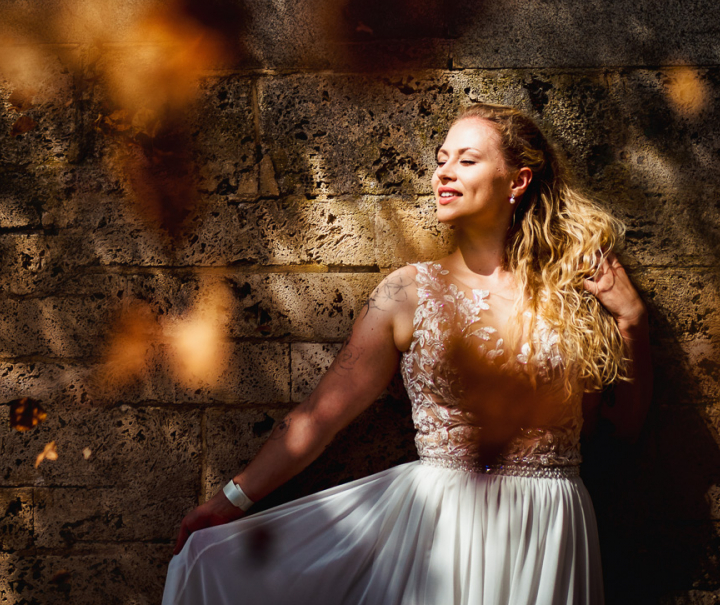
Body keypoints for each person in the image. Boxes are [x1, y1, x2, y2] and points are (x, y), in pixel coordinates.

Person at [162, 103, 652, 605]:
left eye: (467, 160)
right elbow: (318, 418)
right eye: (442, 158)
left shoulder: (571, 292)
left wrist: (632, 322)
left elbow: (617, 430)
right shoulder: (405, 293)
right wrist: (229, 502)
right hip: (443, 525)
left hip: (550, 522)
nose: (444, 171)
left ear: (517, 181)